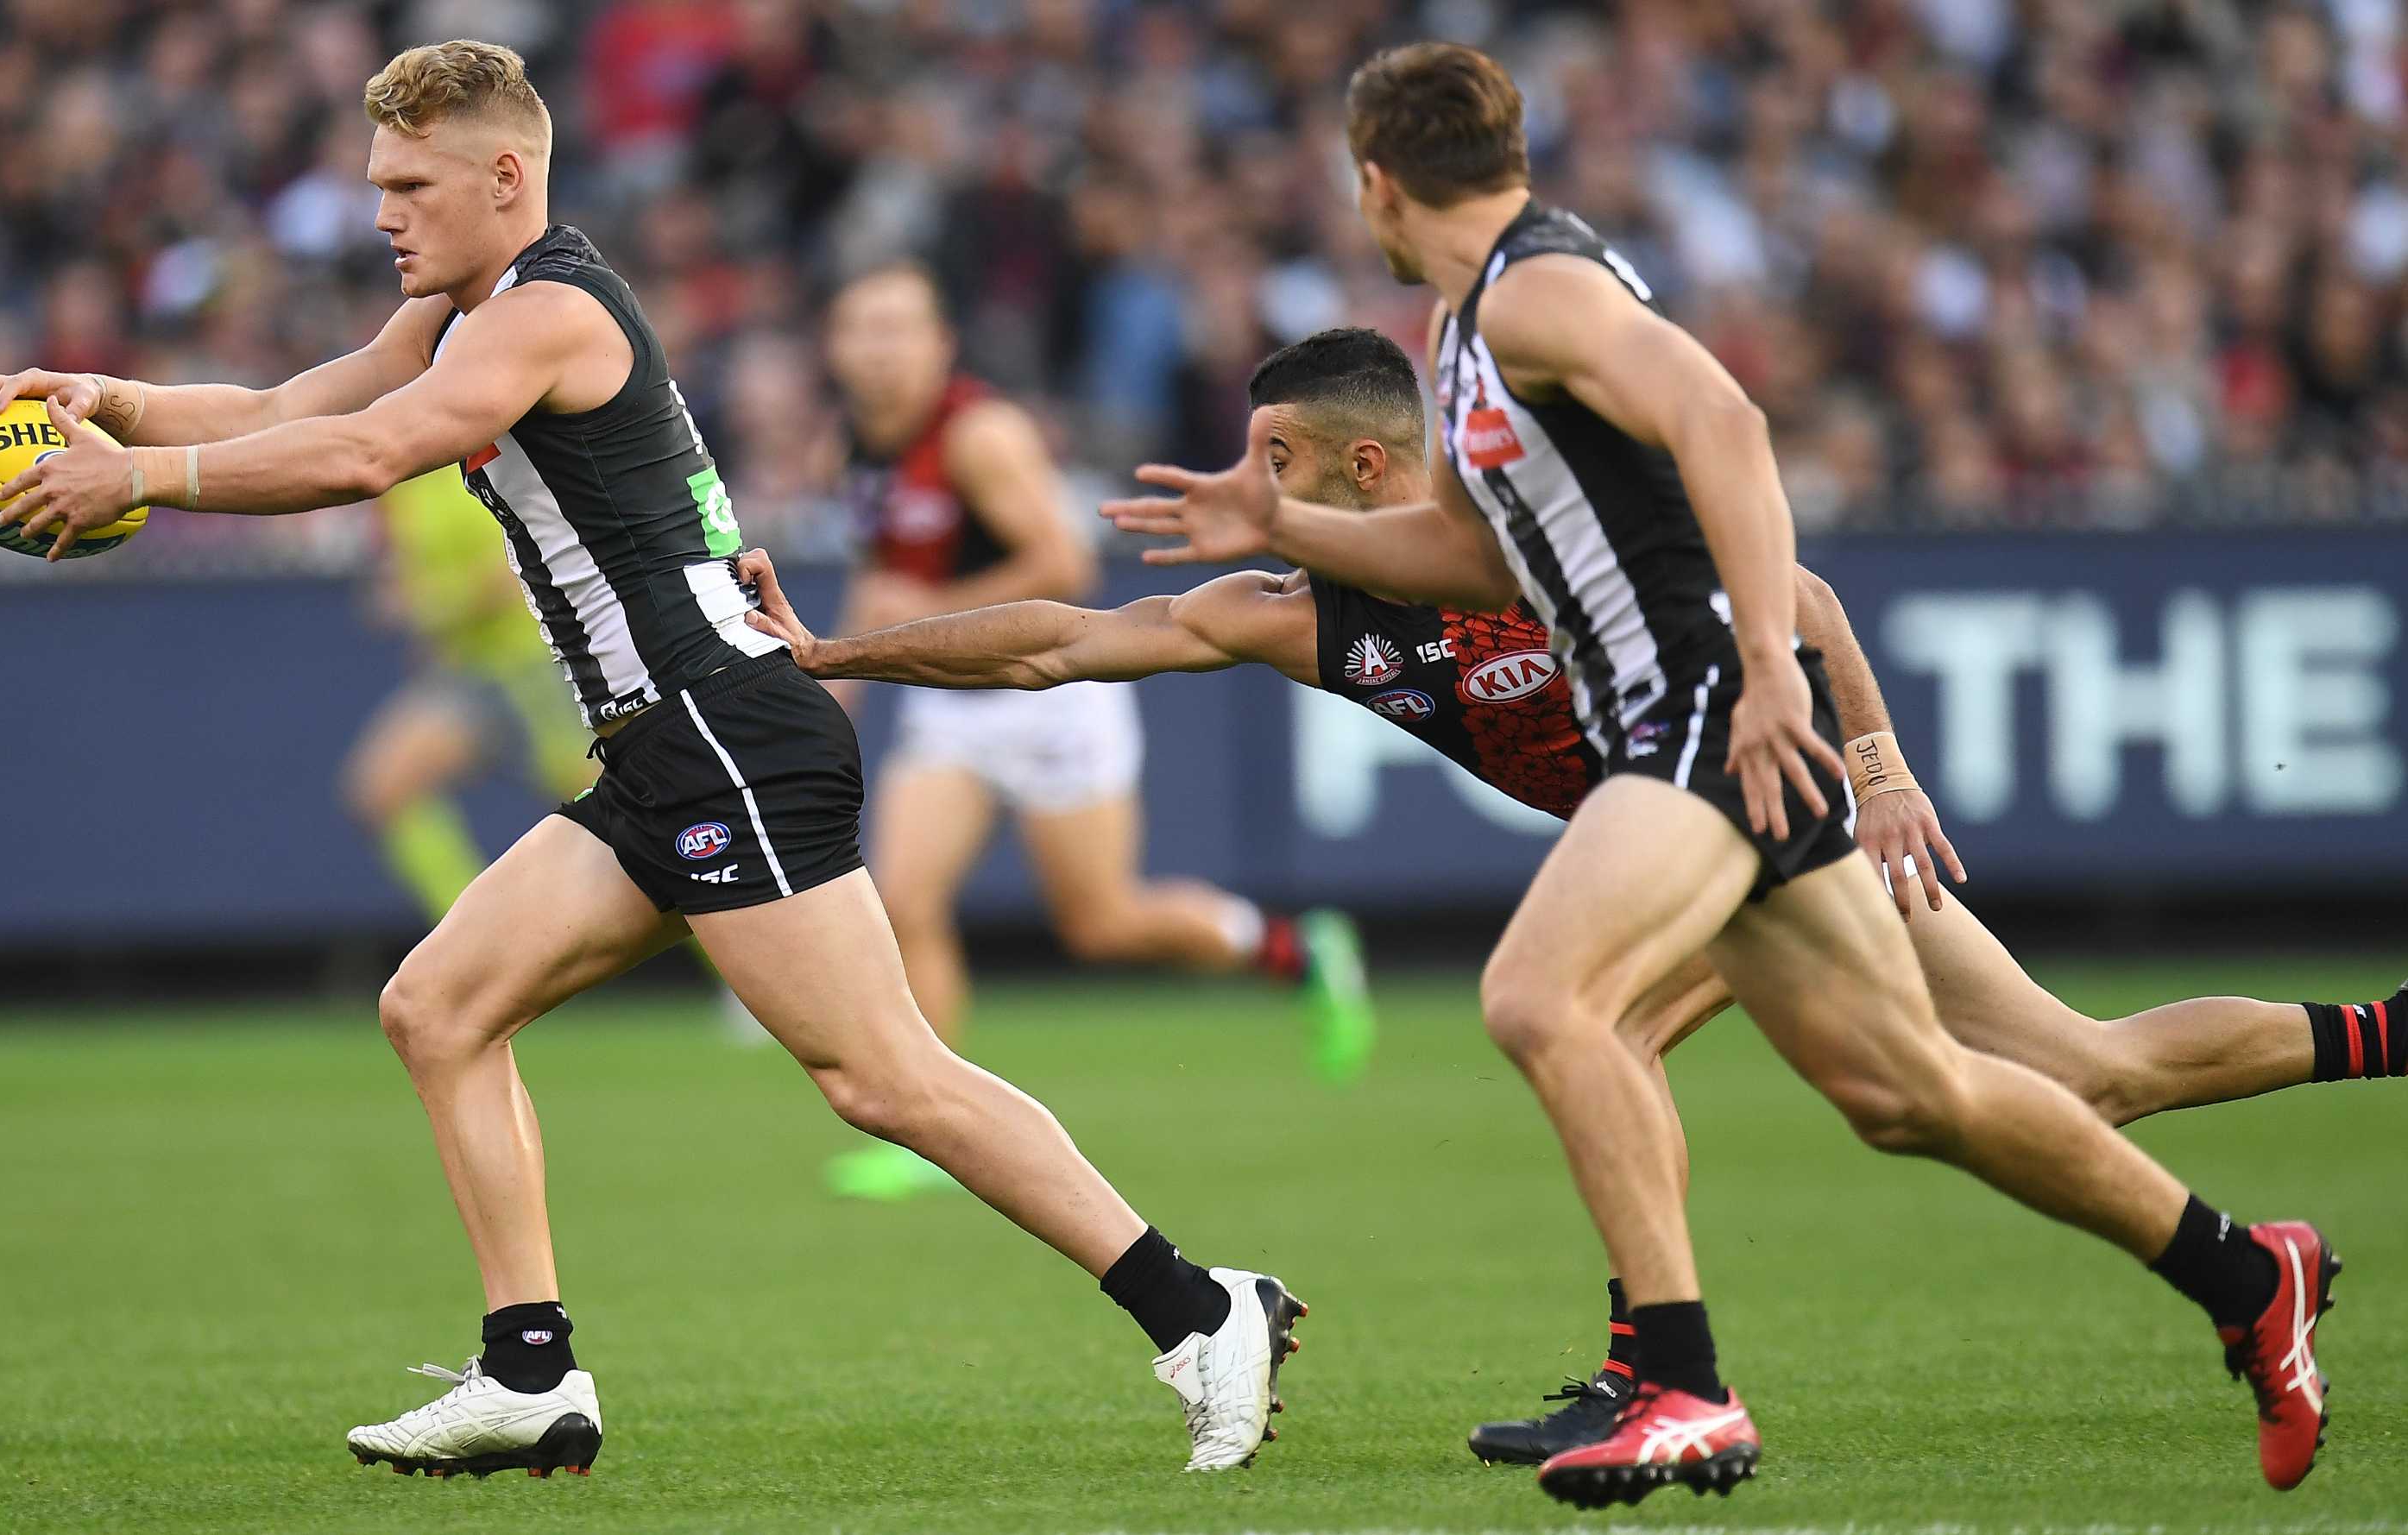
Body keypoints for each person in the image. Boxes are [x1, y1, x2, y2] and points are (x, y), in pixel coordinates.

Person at [0, 40, 1303, 1480]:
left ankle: (1201, 1303)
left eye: (410, 182)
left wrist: (139, 482)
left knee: (882, 1075)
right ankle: (530, 1371)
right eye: (375, 183)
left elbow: (366, 459)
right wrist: (111, 400)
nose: (384, 211)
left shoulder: (546, 314)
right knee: (440, 1006)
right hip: (664, 750)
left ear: (506, 176)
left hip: (728, 732)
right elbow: (302, 406)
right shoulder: (466, 312)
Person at [745, 324, 2400, 1475]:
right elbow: (1057, 635)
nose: (1250, 492)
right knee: (2060, 1071)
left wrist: (1881, 758)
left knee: (1601, 1019)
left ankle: (1658, 1371)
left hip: (1760, 798)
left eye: (1277, 464)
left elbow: (1800, 590)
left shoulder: (1522, 536)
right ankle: (2298, 1183)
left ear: (1371, 462)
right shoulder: (1294, 614)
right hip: (1702, 839)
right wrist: (831, 648)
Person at [1100, 45, 2339, 1506]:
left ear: (1375, 179)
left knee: (1544, 996)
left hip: (1693, 705)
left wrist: (1763, 666)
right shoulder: (1474, 327)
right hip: (1682, 723)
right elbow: (1483, 558)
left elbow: (1729, 426)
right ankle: (2248, 1271)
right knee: (1915, 1093)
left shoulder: (1532, 292)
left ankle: (1681, 1382)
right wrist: (1291, 529)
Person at [816, 264, 1375, 1209]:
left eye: (898, 328)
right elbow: (889, 578)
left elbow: (1063, 559)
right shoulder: (861, 444)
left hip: (1048, 692)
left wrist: (928, 612)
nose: (878, 348)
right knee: (904, 900)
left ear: (940, 343)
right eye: (860, 328)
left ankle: (1296, 953)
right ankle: (927, 1130)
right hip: (955, 703)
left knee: (1103, 922)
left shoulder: (977, 434)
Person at [344, 465, 596, 923]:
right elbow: (411, 577)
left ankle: (732, 961)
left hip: (533, 670)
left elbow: (510, 574)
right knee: (384, 789)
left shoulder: (483, 461)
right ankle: (484, 942)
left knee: (623, 822)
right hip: (468, 677)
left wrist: (424, 606)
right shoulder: (399, 482)